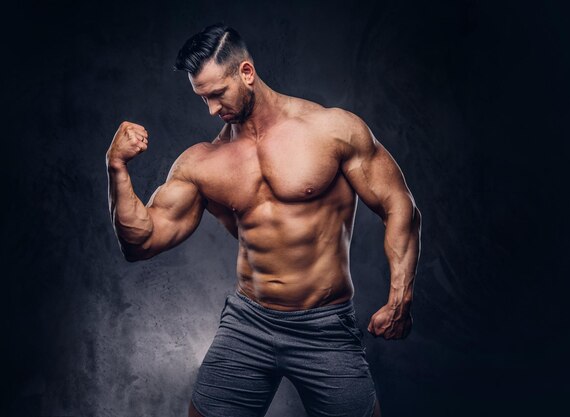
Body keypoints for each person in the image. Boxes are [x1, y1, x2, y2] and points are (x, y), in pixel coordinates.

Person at [106, 23, 421, 417]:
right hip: (248, 323)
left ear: (246, 73)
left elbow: (399, 204)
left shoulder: (332, 130)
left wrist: (400, 297)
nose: (212, 109)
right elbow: (140, 242)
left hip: (324, 327)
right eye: (202, 99)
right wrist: (117, 167)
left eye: (217, 94)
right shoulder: (202, 162)